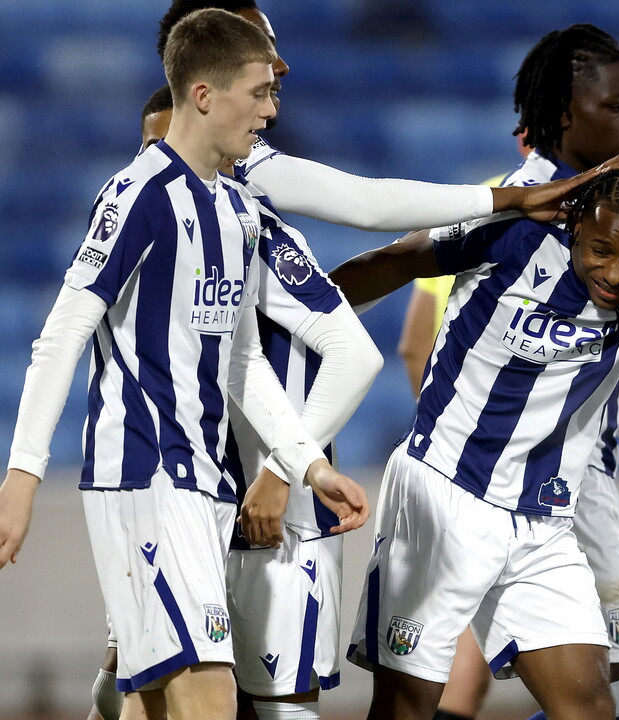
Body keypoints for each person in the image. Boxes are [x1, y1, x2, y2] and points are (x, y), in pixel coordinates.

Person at [0, 10, 370, 720]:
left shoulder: (237, 212)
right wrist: (22, 476)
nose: (270, 111)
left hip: (205, 485)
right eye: (258, 93)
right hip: (145, 475)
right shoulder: (138, 196)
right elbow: (62, 335)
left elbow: (242, 362)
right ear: (203, 95)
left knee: (154, 705)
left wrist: (307, 465)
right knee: (209, 696)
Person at [330, 146, 619, 720]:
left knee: (591, 707)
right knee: (408, 705)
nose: (615, 272)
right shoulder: (514, 233)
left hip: (542, 521)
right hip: (444, 496)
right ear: (578, 226)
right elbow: (396, 260)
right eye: (601, 250)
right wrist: (293, 321)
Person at [396, 25, 619, 720]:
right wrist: (472, 442)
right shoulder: (501, 213)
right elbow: (417, 343)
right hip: (474, 488)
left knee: (618, 687)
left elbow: (603, 365)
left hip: (575, 488)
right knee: (452, 686)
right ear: (562, 116)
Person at [157, 0, 601, 237]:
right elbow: (366, 204)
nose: (280, 66)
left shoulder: (227, 155)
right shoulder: (178, 168)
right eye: (258, 50)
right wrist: (514, 197)